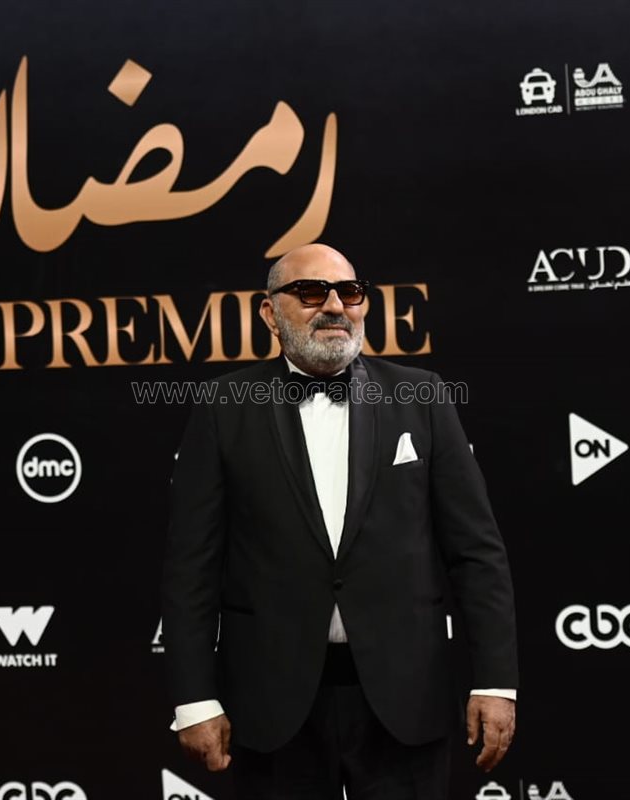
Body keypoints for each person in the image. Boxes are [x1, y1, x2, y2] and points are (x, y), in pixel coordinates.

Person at [161, 243, 518, 799]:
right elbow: (192, 570)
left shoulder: (422, 396)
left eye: (348, 292)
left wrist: (496, 682)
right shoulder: (223, 406)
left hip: (407, 697)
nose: (333, 305)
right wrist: (194, 700)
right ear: (269, 313)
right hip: (271, 702)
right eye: (310, 291)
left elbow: (476, 555)